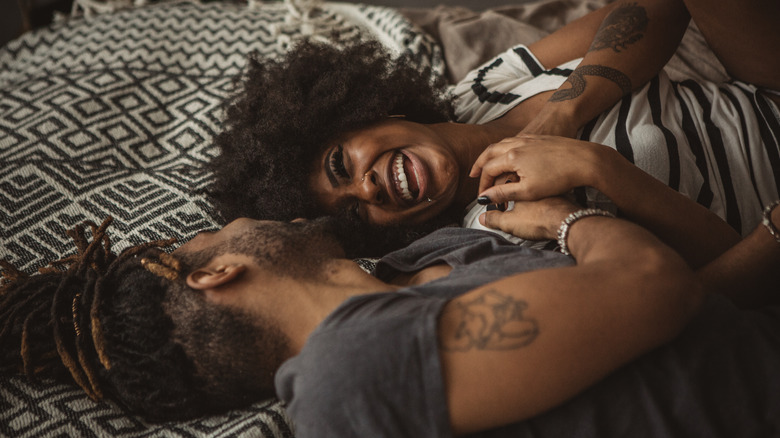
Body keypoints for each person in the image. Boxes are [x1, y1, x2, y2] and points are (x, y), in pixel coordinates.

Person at [2, 193, 779, 435]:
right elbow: (652, 283)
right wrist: (566, 219)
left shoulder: (430, 256)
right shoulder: (346, 374)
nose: (234, 218)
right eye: (206, 232)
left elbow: (693, 312)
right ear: (217, 271)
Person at [208, 0, 779, 255]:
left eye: (342, 165)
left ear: (363, 112)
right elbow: (727, 265)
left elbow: (654, 10)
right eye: (353, 210)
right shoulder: (495, 227)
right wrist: (598, 168)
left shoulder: (475, 91)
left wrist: (564, 115)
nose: (366, 188)